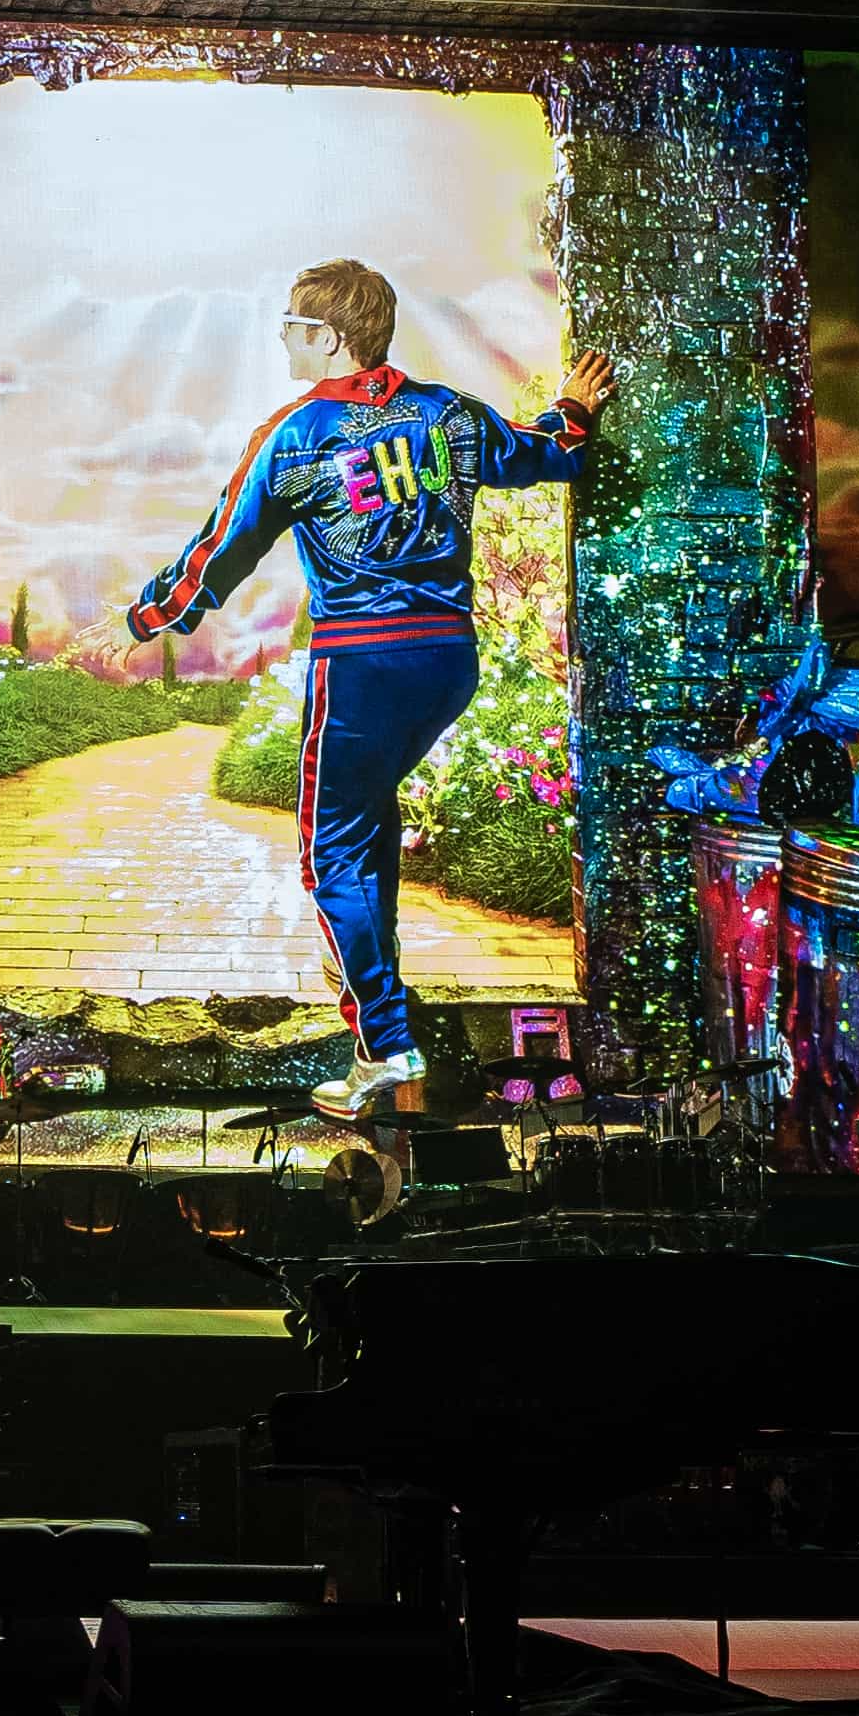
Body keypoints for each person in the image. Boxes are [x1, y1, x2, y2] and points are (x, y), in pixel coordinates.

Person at [127, 260, 614, 1120]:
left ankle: (384, 1045)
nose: (283, 336)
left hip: (360, 664)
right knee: (368, 822)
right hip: (446, 662)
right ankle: (365, 967)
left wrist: (143, 618)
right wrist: (573, 410)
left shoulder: (296, 435)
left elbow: (221, 549)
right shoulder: (447, 413)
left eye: (293, 324)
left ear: (330, 339)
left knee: (331, 856)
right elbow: (547, 453)